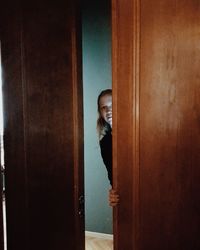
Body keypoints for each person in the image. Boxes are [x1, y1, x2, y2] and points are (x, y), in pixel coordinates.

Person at [97, 89, 119, 207]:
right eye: (104, 108)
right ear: (100, 113)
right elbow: (113, 177)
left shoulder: (134, 134)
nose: (109, 110)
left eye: (112, 105)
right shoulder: (105, 143)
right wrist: (114, 193)